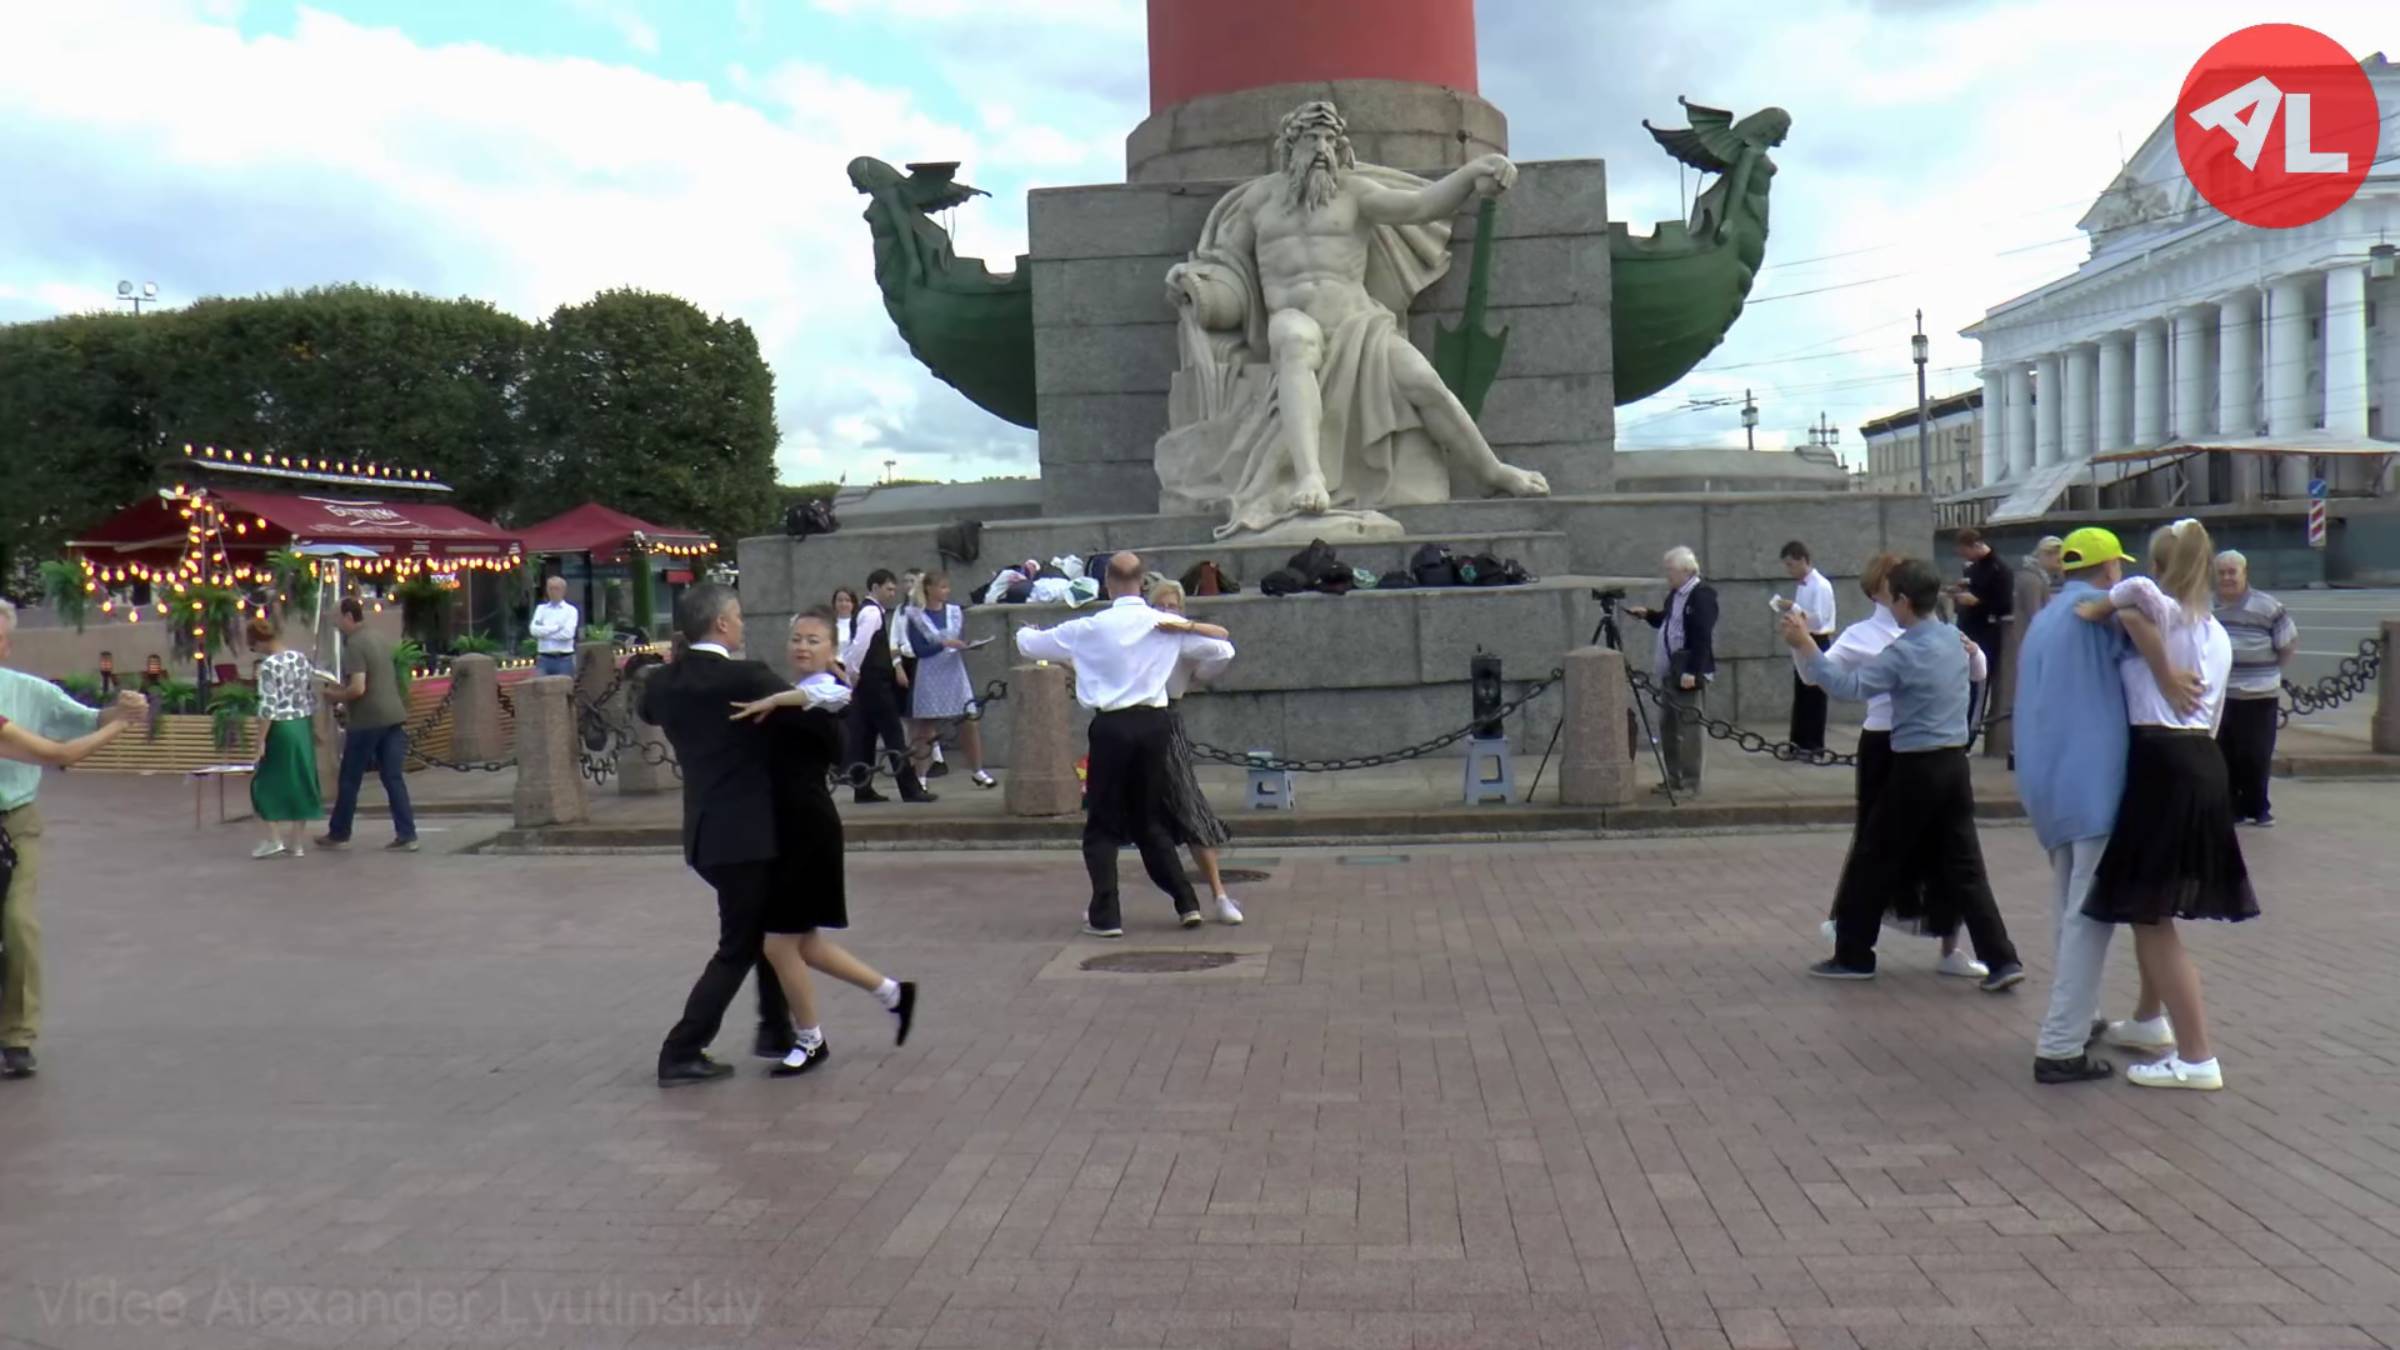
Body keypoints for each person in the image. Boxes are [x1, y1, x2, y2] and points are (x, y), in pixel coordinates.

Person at [2013, 526, 2201, 1085]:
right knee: (2089, 916)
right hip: (2094, 780)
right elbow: (2142, 616)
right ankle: (2061, 1045)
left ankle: (2081, 1017)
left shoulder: (2045, 619)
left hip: (2046, 784)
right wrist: (2170, 680)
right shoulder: (2099, 612)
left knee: (2067, 908)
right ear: (2111, 570)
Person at [1780, 559, 2024, 991]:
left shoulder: (1903, 651)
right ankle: (2001, 959)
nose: (1888, 603)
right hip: (1954, 764)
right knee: (1966, 864)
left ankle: (1854, 955)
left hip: (1916, 764)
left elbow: (1847, 687)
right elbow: (1977, 673)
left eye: (1891, 596)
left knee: (1874, 855)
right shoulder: (1953, 638)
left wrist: (1806, 645)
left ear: (1904, 602)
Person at [2075, 519, 2257, 1091]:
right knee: (2151, 901)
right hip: (2201, 757)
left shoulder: (2159, 611)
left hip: (2162, 762)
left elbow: (2124, 603)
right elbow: (2218, 708)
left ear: (2159, 567)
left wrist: (2153, 664)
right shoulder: (2215, 631)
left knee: (2149, 914)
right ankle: (2151, 1019)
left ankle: (2198, 1055)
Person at [716, 610, 921, 1076]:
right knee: (803, 944)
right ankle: (892, 993)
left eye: (813, 640)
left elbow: (817, 695)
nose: (802, 646)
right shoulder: (793, 697)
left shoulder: (831, 692)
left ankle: (810, 1039)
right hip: (786, 829)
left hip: (808, 830)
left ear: (832, 650)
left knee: (777, 945)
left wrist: (774, 700)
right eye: (796, 639)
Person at [1015, 553, 1236, 937]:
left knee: (1102, 824)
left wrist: (1024, 628)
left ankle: (1107, 916)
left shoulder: (1091, 626)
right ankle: (1187, 902)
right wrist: (1193, 672)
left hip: (1113, 726)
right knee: (1149, 820)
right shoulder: (1161, 623)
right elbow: (1223, 651)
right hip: (1155, 725)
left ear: (1109, 584)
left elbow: (1030, 646)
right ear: (1141, 583)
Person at [0, 658, 140, 1085]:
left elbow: (64, 744)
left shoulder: (25, 693)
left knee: (18, 924)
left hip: (13, 825)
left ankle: (17, 1036)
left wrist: (120, 717)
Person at [1146, 580, 1242, 924]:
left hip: (1166, 721)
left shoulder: (1183, 640)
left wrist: (1184, 628)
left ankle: (1220, 895)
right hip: (1129, 720)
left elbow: (1223, 647)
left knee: (1190, 806)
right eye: (1161, 606)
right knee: (1115, 817)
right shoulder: (1135, 638)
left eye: (1173, 606)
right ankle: (1103, 901)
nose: (1167, 612)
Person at [316, 597, 418, 852]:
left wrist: (334, 695)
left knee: (350, 778)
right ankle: (407, 834)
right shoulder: (379, 638)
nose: (336, 624)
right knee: (393, 777)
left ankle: (339, 832)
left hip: (367, 720)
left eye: (337, 618)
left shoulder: (355, 644)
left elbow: (359, 688)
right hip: (393, 715)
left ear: (349, 617)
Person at [2212, 549, 2297, 827]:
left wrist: (2267, 671)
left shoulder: (2268, 606)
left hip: (2259, 694)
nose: (2227, 577)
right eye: (2222, 572)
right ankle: (2232, 808)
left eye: (2232, 572)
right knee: (2225, 754)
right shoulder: (2208, 607)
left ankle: (2258, 807)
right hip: (2223, 695)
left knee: (2256, 753)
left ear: (2244, 574)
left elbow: (2286, 644)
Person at [1623, 546, 1716, 796]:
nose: (1668, 575)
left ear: (1687, 570)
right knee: (1669, 727)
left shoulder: (1702, 595)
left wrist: (1692, 671)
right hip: (1669, 671)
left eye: (1671, 570)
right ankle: (1674, 778)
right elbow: (1669, 621)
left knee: (1689, 729)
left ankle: (1690, 781)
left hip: (1686, 671)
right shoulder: (1676, 594)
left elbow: (1702, 637)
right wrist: (1648, 615)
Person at [839, 570, 934, 805]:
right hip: (875, 683)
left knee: (866, 736)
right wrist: (853, 672)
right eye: (889, 589)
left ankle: (862, 788)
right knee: (894, 735)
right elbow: (859, 645)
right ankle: (910, 790)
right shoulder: (871, 613)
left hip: (869, 683)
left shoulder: (869, 611)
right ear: (875, 587)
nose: (892, 593)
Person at [903, 573, 994, 790]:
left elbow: (958, 640)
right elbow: (919, 650)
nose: (946, 591)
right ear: (929, 589)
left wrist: (968, 645)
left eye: (947, 587)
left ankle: (978, 770)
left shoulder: (954, 612)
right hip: (930, 672)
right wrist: (944, 644)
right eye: (942, 587)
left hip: (954, 670)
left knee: (968, 720)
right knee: (925, 727)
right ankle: (921, 777)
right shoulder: (915, 615)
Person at [243, 615, 323, 860]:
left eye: (253, 646)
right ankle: (296, 843)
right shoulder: (300, 659)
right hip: (301, 725)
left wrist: (260, 741)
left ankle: (273, 838)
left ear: (260, 642)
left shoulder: (268, 666)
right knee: (301, 780)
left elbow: (267, 707)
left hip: (280, 727)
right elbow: (311, 695)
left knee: (263, 783)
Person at [1950, 528, 2014, 729]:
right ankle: (1960, 726)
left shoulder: (1999, 569)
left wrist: (1977, 602)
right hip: (1966, 629)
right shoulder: (1972, 568)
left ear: (1977, 545)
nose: (1965, 557)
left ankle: (1970, 730)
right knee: (1961, 684)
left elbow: (2004, 605)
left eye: (1966, 551)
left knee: (1978, 685)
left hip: (1986, 632)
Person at [1780, 541, 1838, 751]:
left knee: (1814, 694)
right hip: (1802, 637)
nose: (1789, 570)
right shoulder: (1803, 585)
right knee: (1801, 692)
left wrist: (1793, 607)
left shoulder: (1820, 585)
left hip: (1817, 640)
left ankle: (1814, 745)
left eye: (1791, 564)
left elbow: (1819, 620)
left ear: (1803, 560)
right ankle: (1798, 741)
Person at [529, 575, 580, 678]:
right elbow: (534, 630)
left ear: (563, 591)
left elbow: (568, 634)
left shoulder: (571, 610)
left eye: (556, 588)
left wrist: (544, 633)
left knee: (564, 691)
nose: (553, 592)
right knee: (541, 691)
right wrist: (556, 628)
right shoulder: (541, 609)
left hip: (564, 660)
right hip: (543, 659)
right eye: (550, 588)